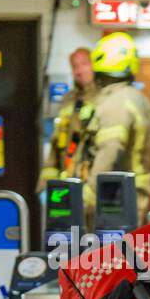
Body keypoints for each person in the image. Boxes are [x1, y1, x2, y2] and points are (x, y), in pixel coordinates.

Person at [82, 32, 150, 223]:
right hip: (133, 198)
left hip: (116, 200)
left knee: (112, 253)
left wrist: (85, 199)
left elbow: (110, 151)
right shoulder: (136, 98)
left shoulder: (117, 102)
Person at [37, 47, 97, 191]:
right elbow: (56, 144)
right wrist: (45, 183)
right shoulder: (68, 100)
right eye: (75, 66)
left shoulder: (104, 97)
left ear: (93, 65)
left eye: (84, 64)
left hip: (93, 181)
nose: (79, 71)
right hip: (68, 179)